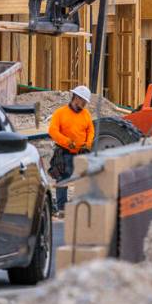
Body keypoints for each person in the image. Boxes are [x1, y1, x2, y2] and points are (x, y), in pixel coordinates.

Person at [47, 85, 95, 216]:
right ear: (76, 98)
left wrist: (88, 143)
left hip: (81, 153)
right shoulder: (60, 113)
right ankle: (62, 208)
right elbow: (52, 131)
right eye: (83, 101)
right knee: (63, 179)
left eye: (85, 102)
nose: (84, 104)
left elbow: (90, 130)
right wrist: (66, 142)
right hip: (64, 152)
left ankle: (79, 206)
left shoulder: (86, 115)